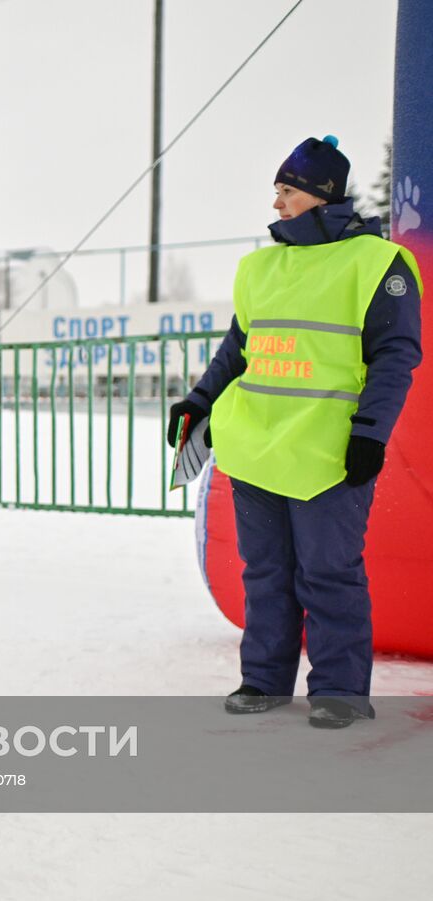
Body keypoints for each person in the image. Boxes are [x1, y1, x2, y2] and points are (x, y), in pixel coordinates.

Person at [169, 136, 422, 729]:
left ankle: (339, 689)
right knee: (264, 573)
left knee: (329, 573)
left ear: (320, 193)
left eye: (286, 190)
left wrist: (371, 434)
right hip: (254, 446)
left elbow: (395, 357)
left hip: (327, 453)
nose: (277, 202)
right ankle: (264, 678)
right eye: (278, 190)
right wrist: (200, 400)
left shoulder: (376, 263)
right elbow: (239, 350)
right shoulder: (262, 266)